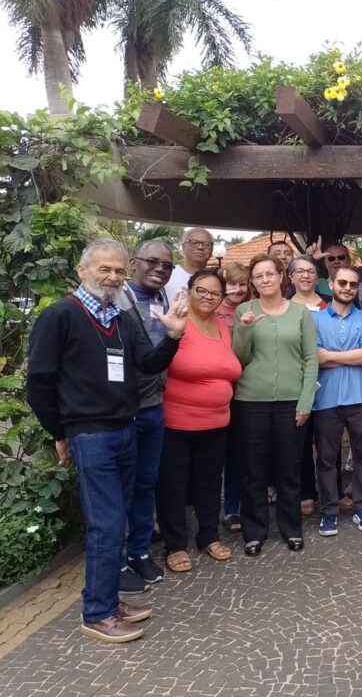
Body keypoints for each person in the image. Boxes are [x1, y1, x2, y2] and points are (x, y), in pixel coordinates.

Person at [26, 238, 187, 643]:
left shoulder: (120, 318)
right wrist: (59, 433)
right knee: (107, 524)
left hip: (126, 429)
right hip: (91, 435)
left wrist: (172, 337)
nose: (113, 277)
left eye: (118, 270)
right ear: (83, 271)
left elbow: (148, 365)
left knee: (120, 518)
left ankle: (109, 602)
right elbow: (39, 383)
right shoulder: (60, 316)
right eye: (105, 269)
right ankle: (97, 613)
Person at [232, 254, 318, 557]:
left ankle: (291, 528)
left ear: (282, 276)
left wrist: (305, 401)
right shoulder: (245, 310)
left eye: (270, 274)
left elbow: (311, 358)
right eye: (258, 276)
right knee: (253, 470)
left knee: (289, 469)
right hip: (250, 401)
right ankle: (254, 531)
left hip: (291, 402)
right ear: (253, 283)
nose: (265, 280)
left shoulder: (300, 313)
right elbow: (238, 358)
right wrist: (243, 329)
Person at [156, 270, 241, 572]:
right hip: (176, 424)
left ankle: (208, 535)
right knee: (173, 486)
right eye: (202, 290)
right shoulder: (176, 322)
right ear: (189, 291)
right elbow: (156, 363)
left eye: (215, 293)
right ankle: (176, 545)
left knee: (208, 483)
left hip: (217, 423)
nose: (208, 297)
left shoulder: (222, 326)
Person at [113, 239, 174, 590]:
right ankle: (117, 562)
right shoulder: (119, 300)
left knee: (145, 485)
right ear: (135, 262)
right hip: (124, 411)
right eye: (153, 262)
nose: (160, 270)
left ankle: (138, 553)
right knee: (121, 488)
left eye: (166, 266)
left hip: (154, 407)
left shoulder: (162, 298)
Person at [311, 265, 362, 536]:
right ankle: (329, 509)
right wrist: (352, 354)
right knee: (327, 458)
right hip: (325, 398)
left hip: (360, 397)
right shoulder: (314, 320)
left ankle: (361, 504)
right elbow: (314, 356)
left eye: (353, 284)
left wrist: (331, 356)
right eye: (343, 283)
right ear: (331, 284)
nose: (347, 288)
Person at [287, 255, 329, 516]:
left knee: (328, 442)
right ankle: (305, 492)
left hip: (327, 382)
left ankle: (330, 490)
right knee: (299, 442)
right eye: (299, 271)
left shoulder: (330, 306)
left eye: (311, 271)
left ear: (318, 277)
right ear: (290, 276)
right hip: (295, 384)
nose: (305, 276)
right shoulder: (283, 306)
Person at [215, 261, 248, 532]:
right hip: (218, 393)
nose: (237, 289)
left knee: (240, 455)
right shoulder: (213, 312)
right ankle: (219, 509)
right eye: (232, 284)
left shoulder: (253, 309)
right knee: (218, 456)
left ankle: (234, 509)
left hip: (247, 392)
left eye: (242, 284)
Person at [165, 227, 214, 302]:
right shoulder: (167, 274)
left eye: (207, 244)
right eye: (194, 243)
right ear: (183, 246)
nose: (200, 247)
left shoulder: (215, 280)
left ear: (212, 250)